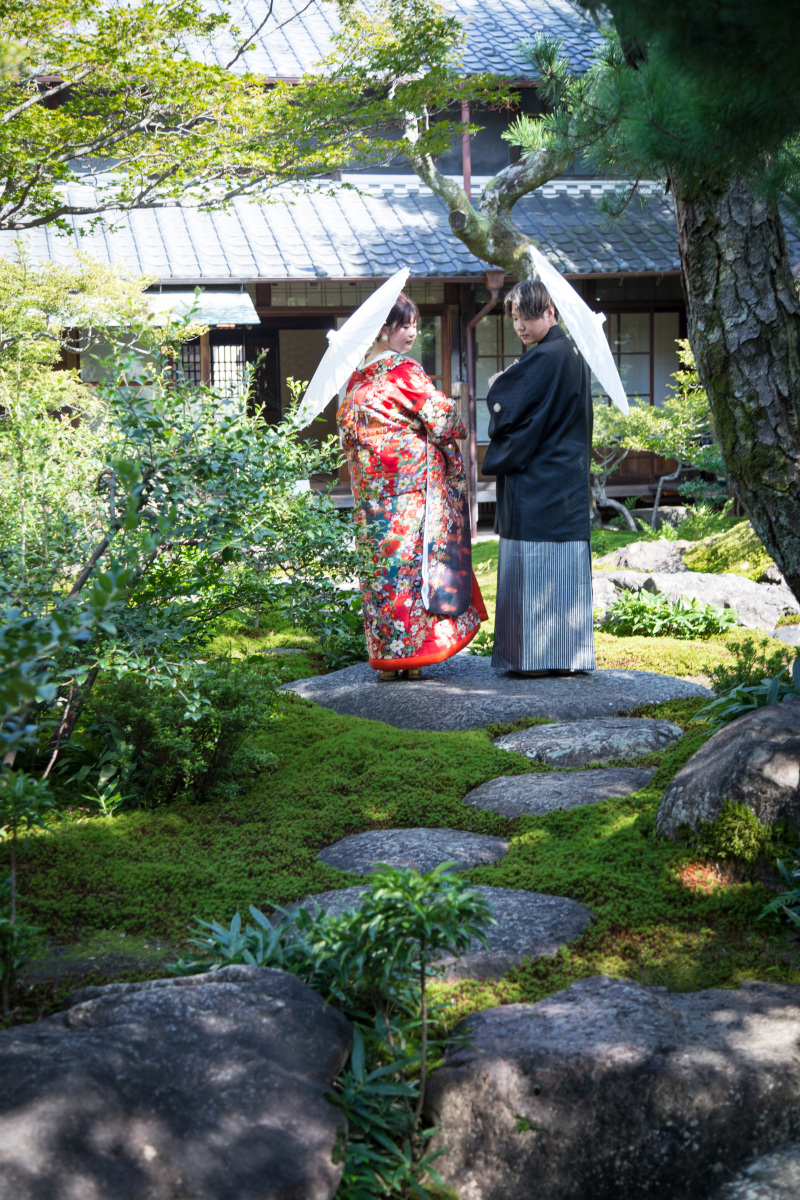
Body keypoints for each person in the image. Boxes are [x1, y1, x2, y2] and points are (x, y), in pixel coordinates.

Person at [337, 292, 487, 680]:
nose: (412, 333)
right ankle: (414, 658)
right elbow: (443, 420)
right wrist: (456, 410)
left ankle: (387, 659)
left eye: (414, 325)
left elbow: (348, 436)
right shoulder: (404, 372)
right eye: (404, 325)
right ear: (383, 329)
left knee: (380, 574)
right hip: (410, 494)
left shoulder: (355, 380)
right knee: (411, 571)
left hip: (371, 497)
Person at [482, 279, 595, 676]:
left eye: (528, 317)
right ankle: (567, 655)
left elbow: (505, 408)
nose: (520, 326)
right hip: (564, 479)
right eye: (515, 318)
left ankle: (530, 657)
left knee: (534, 567)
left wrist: (497, 385)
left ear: (550, 312)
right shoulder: (569, 352)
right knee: (563, 571)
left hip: (538, 482)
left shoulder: (547, 357)